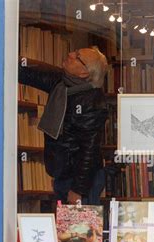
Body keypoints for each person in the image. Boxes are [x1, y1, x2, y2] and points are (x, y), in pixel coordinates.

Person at [19, 47, 108, 205]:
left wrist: (78, 190)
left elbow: (89, 149)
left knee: (78, 228)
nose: (70, 54)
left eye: (77, 57)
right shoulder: (62, 84)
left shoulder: (92, 102)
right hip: (64, 174)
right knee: (68, 227)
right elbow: (30, 75)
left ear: (84, 73)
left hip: (81, 180)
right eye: (75, 51)